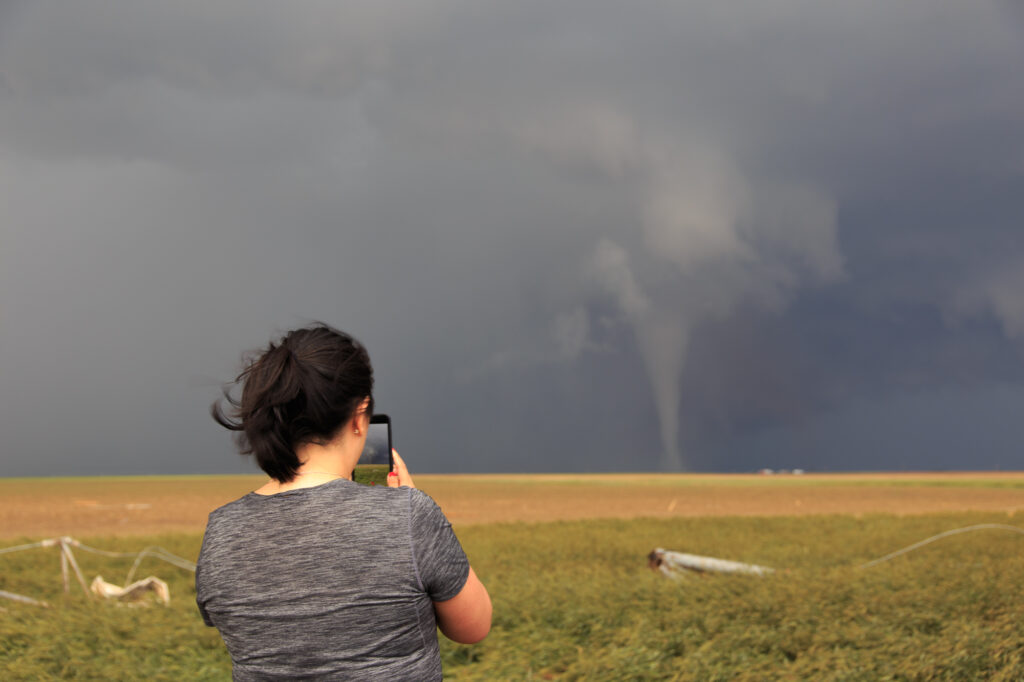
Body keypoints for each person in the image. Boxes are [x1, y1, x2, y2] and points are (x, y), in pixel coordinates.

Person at [196, 324, 491, 680]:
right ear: (359, 415)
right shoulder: (409, 516)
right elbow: (473, 627)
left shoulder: (221, 530)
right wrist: (408, 500)